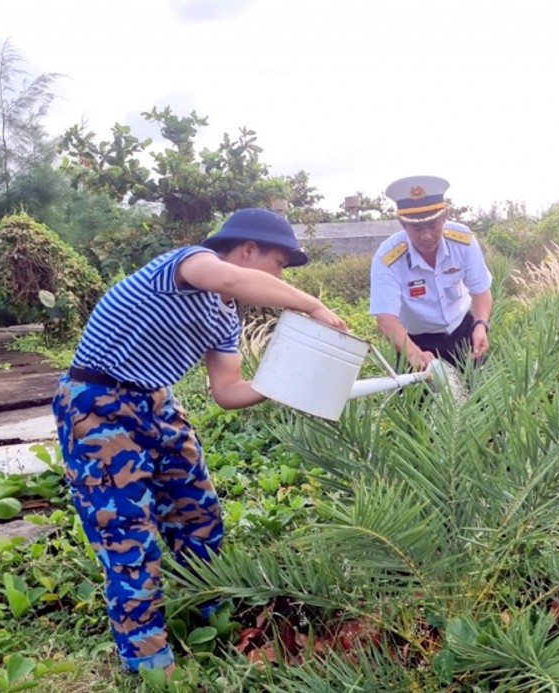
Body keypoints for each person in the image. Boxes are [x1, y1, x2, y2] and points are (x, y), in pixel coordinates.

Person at [52, 208, 347, 675]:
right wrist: (309, 304)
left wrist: (287, 382)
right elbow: (231, 280)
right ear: (248, 249)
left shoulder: (226, 316)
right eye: (280, 263)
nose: (281, 275)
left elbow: (228, 391)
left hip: (156, 400)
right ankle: (151, 663)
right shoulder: (188, 265)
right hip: (97, 400)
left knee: (200, 515)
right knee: (126, 532)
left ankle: (213, 615)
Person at [369, 175, 493, 369]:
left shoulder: (463, 242)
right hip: (415, 341)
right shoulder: (388, 258)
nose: (426, 236)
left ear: (445, 216)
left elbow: (481, 290)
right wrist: (413, 353)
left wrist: (481, 324)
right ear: (402, 224)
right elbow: (386, 319)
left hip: (462, 332)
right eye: (416, 228)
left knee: (478, 396)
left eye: (433, 226)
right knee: (420, 399)